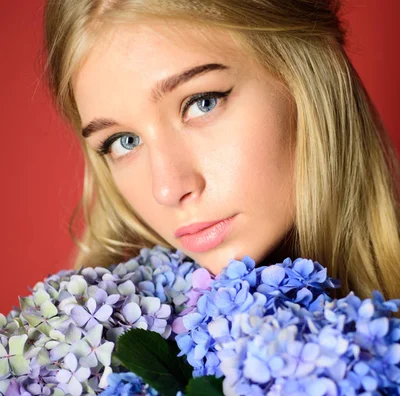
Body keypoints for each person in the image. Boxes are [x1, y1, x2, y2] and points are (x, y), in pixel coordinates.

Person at [43, 0, 400, 302]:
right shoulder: (95, 367)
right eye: (124, 142)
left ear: (305, 74)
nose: (167, 189)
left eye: (202, 103)